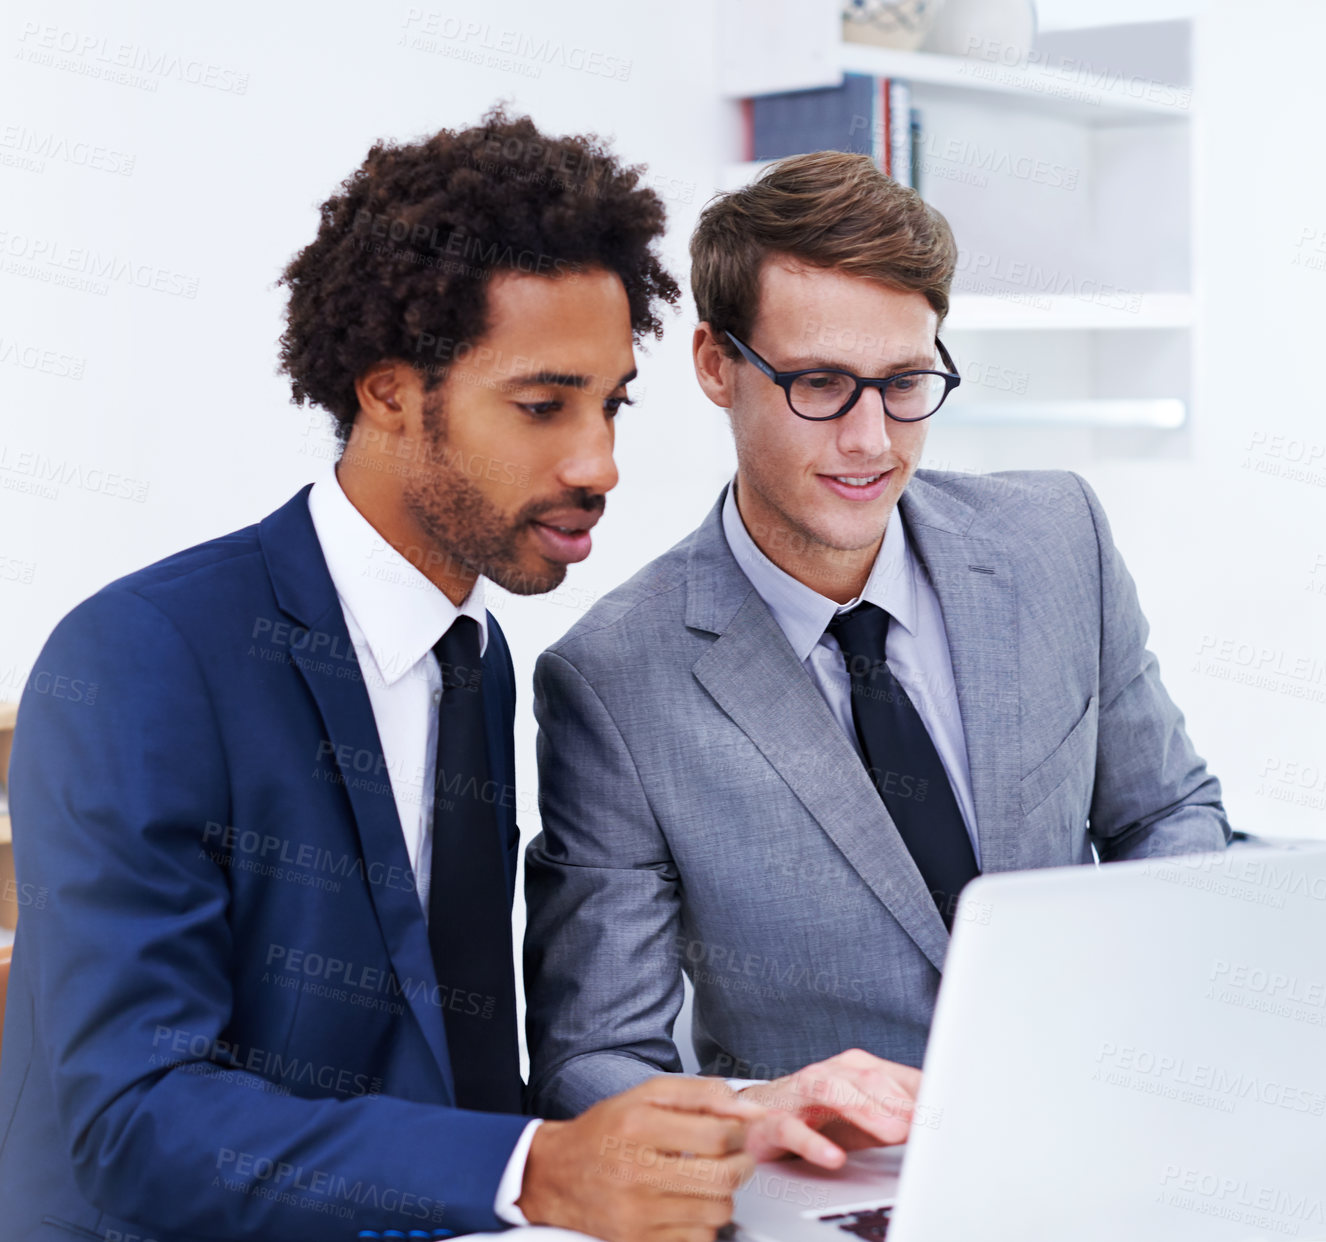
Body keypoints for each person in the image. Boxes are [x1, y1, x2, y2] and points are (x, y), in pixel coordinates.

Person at [0, 114, 915, 1242]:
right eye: (543, 406)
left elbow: (465, 1104)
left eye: (610, 403)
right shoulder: (144, 660)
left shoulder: (474, 665)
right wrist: (541, 1172)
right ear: (389, 395)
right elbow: (134, 1126)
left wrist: (733, 1120)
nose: (599, 466)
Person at [524, 150, 1232, 1115]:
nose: (871, 440)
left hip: (1106, 1123)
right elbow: (595, 1059)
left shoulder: (1060, 540)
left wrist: (1139, 1012)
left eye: (905, 381)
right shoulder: (615, 679)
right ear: (716, 367)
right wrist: (759, 1119)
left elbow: (1169, 815)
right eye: (819, 384)